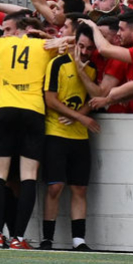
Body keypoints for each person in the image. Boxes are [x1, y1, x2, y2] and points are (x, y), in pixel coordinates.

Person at [0, 15, 73, 250]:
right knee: (28, 176)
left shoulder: (2, 43)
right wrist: (51, 40)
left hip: (5, 109)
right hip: (33, 111)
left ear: (17, 30)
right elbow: (71, 43)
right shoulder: (44, 46)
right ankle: (18, 237)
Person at [40, 24, 101, 251]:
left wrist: (81, 115)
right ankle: (47, 238)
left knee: (79, 188)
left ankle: (79, 239)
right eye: (82, 46)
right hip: (55, 132)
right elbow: (51, 100)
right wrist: (79, 117)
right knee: (55, 187)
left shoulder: (92, 68)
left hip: (79, 137)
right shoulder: (57, 63)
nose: (85, 52)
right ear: (75, 42)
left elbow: (96, 97)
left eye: (90, 48)